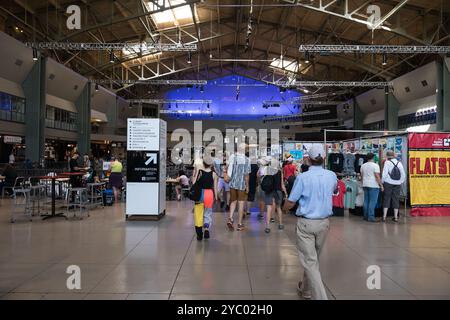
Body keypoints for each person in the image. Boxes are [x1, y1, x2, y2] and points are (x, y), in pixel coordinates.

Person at [283, 144, 337, 300]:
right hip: (324, 224)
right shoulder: (331, 175)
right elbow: (334, 190)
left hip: (306, 224)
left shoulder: (303, 177)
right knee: (312, 260)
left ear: (308, 160)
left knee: (310, 262)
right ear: (324, 158)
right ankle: (306, 290)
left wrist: (283, 209)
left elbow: (292, 201)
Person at [226, 143, 251, 231]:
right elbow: (246, 175)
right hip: (241, 184)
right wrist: (247, 186)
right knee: (241, 204)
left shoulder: (233, 157)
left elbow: (229, 168)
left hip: (232, 184)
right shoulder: (247, 160)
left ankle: (230, 218)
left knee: (233, 202)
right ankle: (239, 224)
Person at [260, 157, 287, 233]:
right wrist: (285, 192)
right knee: (278, 208)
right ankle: (281, 224)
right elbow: (282, 184)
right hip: (278, 191)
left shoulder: (267, 170)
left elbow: (260, 177)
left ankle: (268, 227)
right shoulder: (279, 171)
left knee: (269, 208)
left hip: (269, 191)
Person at [192, 160, 217, 240]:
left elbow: (193, 183)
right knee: (207, 213)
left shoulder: (200, 172)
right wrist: (216, 197)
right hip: (209, 194)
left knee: (198, 214)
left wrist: (194, 173)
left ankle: (199, 234)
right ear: (211, 164)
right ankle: (206, 229)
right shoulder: (214, 174)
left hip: (199, 194)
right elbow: (215, 187)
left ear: (203, 164)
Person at [382, 150, 406, 223]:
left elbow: (384, 174)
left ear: (387, 156)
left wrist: (382, 182)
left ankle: (384, 217)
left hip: (388, 183)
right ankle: (395, 217)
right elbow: (403, 174)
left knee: (387, 199)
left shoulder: (387, 162)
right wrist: (400, 181)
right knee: (396, 199)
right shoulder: (399, 163)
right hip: (397, 184)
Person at [360, 153, 383, 223]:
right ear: (373, 157)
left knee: (366, 201)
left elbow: (362, 176)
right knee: (372, 202)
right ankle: (371, 217)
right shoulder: (375, 165)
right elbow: (377, 176)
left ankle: (365, 216)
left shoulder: (363, 165)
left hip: (365, 184)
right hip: (373, 185)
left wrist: (363, 183)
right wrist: (381, 185)